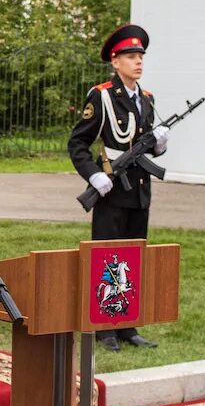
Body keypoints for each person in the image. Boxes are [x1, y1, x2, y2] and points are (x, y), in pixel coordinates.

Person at [68, 25, 166, 350]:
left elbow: (145, 144)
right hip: (111, 190)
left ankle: (128, 326)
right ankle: (105, 328)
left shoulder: (147, 99)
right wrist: (94, 175)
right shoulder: (103, 96)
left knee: (133, 256)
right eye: (130, 56)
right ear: (115, 62)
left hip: (139, 191)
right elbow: (78, 142)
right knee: (109, 257)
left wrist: (160, 145)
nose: (137, 61)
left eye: (140, 56)